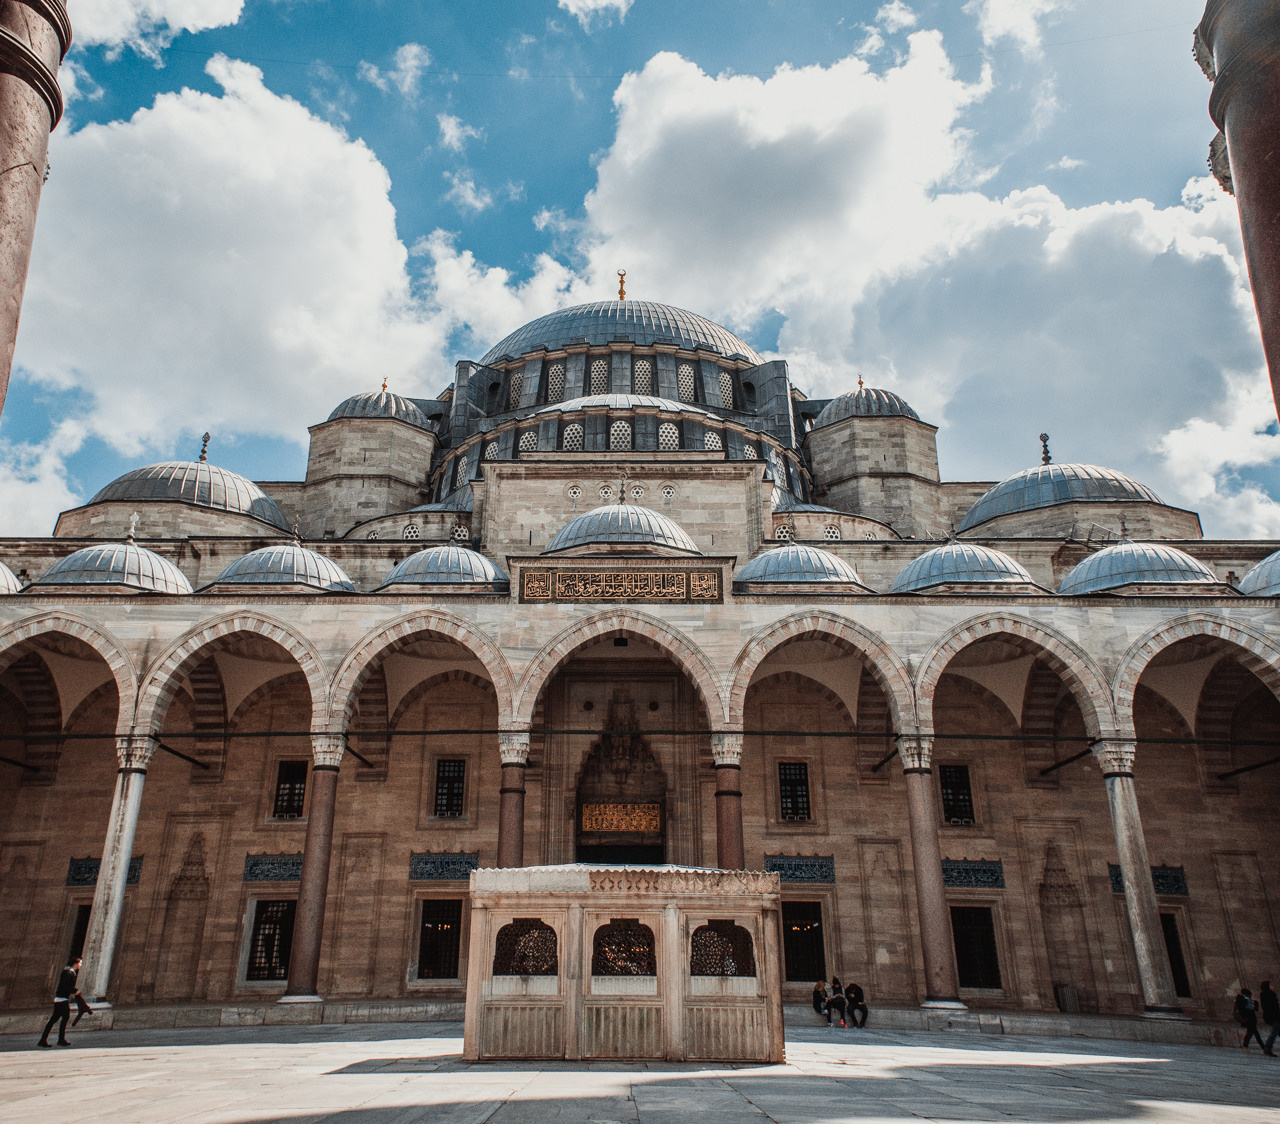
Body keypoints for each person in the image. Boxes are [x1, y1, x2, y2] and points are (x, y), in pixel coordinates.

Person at [37, 957, 82, 1048]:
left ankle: (44, 1039)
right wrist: (74, 991)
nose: (80, 965)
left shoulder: (67, 972)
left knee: (54, 1019)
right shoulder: (69, 973)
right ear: (75, 963)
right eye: (80, 963)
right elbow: (66, 986)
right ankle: (60, 1039)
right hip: (62, 999)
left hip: (59, 998)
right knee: (64, 1018)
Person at [1236, 987, 1266, 1051]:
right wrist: (1254, 1003)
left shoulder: (1241, 999)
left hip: (1249, 1019)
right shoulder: (1245, 1000)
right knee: (1252, 1032)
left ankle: (1263, 1047)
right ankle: (1263, 1047)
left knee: (1252, 1032)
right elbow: (1251, 1008)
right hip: (1249, 1019)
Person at [1260, 980, 1279, 1057]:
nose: (1272, 986)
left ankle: (1267, 1048)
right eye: (1271, 985)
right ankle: (1267, 1048)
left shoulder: (1264, 994)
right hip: (1274, 1017)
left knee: (1276, 1032)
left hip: (1272, 1017)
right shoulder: (1269, 994)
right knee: (1273, 1033)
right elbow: (1273, 1007)